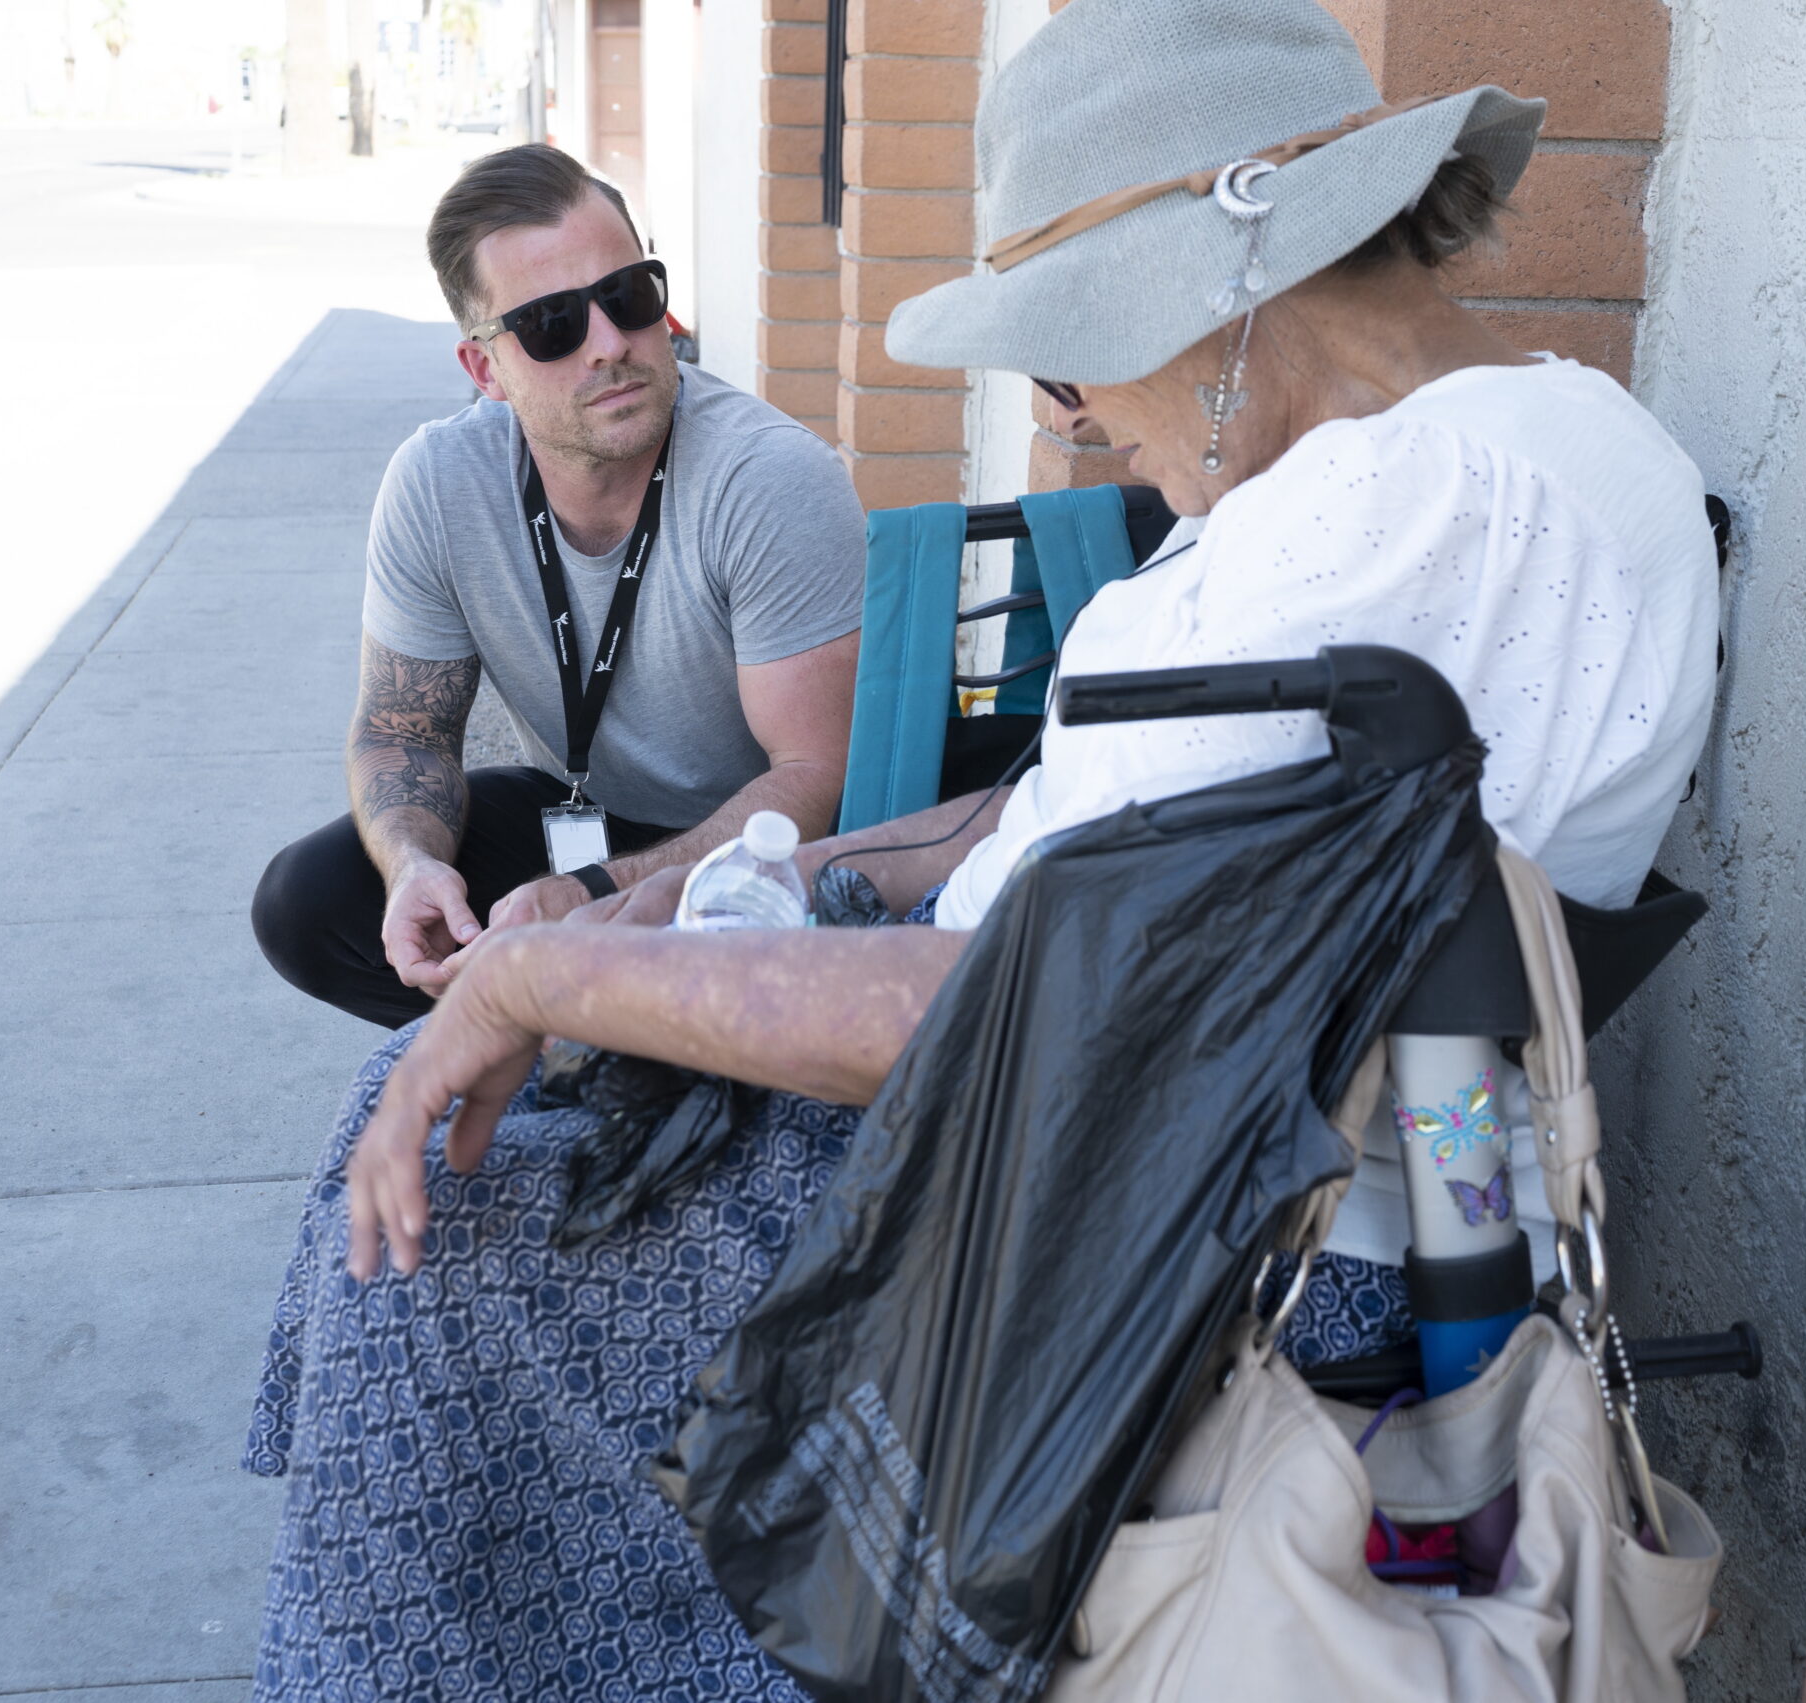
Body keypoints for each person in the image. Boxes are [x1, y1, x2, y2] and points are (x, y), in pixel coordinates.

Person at [239, 0, 1720, 1694]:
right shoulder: (1559, 441)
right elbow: (1051, 826)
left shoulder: (1352, 537)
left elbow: (1017, 1018)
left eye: (1067, 350)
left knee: (448, 1222)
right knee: (463, 1094)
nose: (1069, 414)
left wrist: (539, 978)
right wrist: (713, 893)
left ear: (1212, 288)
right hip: (1277, 1177)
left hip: (1151, 1249)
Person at [250, 144, 867, 1030]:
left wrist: (596, 892)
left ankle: (588, 1041)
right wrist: (415, 865)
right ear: (485, 371)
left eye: (629, 295)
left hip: (758, 848)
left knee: (655, 948)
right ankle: (586, 1043)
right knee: (309, 902)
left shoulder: (766, 479)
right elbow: (402, 732)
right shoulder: (440, 482)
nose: (610, 344)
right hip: (585, 816)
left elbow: (818, 781)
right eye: (552, 325)